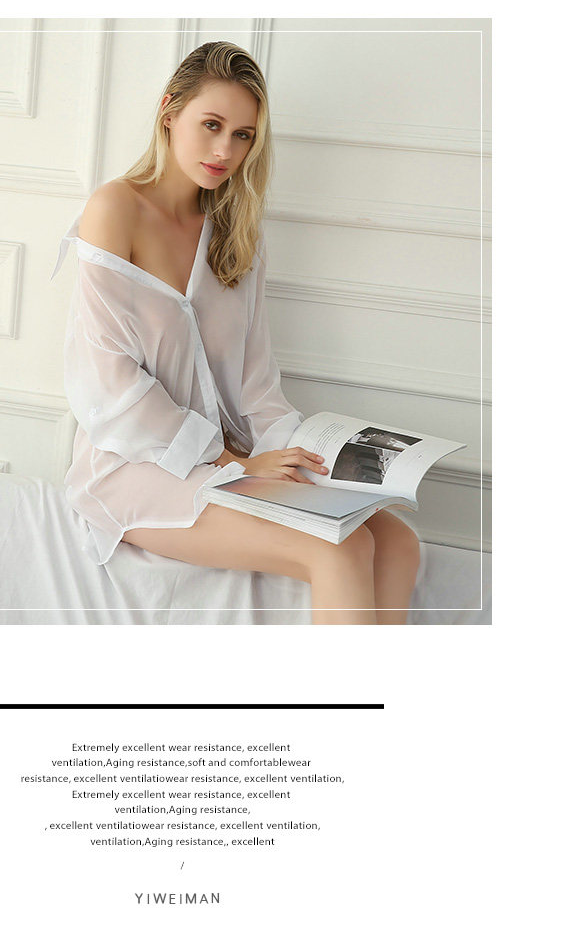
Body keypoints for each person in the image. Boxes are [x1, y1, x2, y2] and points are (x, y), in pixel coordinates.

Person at [54, 41, 420, 625]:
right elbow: (107, 381)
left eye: (243, 135)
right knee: (340, 546)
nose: (225, 150)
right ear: (170, 111)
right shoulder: (115, 208)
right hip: (134, 466)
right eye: (212, 125)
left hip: (232, 459)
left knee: (398, 541)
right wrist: (230, 461)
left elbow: (256, 382)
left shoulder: (235, 229)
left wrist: (298, 455)